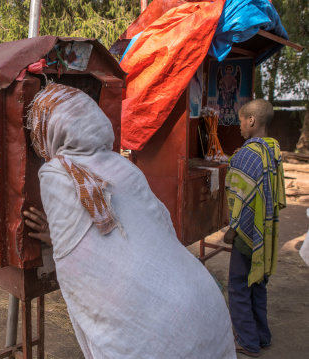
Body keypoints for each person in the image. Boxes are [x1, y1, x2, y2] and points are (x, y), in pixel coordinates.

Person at [23, 83, 236, 359]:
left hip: (157, 331)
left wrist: (55, 238)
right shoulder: (120, 163)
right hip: (205, 302)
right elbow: (150, 223)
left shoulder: (55, 173)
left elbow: (75, 255)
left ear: (46, 133)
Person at [223, 99, 286, 357]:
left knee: (238, 286)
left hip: (246, 232)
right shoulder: (274, 150)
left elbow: (240, 198)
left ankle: (248, 342)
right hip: (266, 230)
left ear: (252, 120)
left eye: (240, 120)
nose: (239, 126)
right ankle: (263, 336)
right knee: (258, 282)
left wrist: (233, 229)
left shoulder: (245, 155)